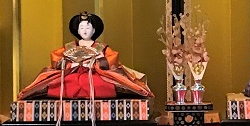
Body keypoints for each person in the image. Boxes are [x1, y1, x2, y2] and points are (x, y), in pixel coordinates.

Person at [17, 12, 154, 100]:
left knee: (100, 84)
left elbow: (112, 58)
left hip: (95, 73)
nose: (85, 31)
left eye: (88, 28)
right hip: (72, 72)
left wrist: (96, 63)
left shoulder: (101, 47)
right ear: (77, 30)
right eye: (81, 28)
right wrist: (70, 64)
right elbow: (56, 58)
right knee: (63, 84)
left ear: (94, 30)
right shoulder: (69, 46)